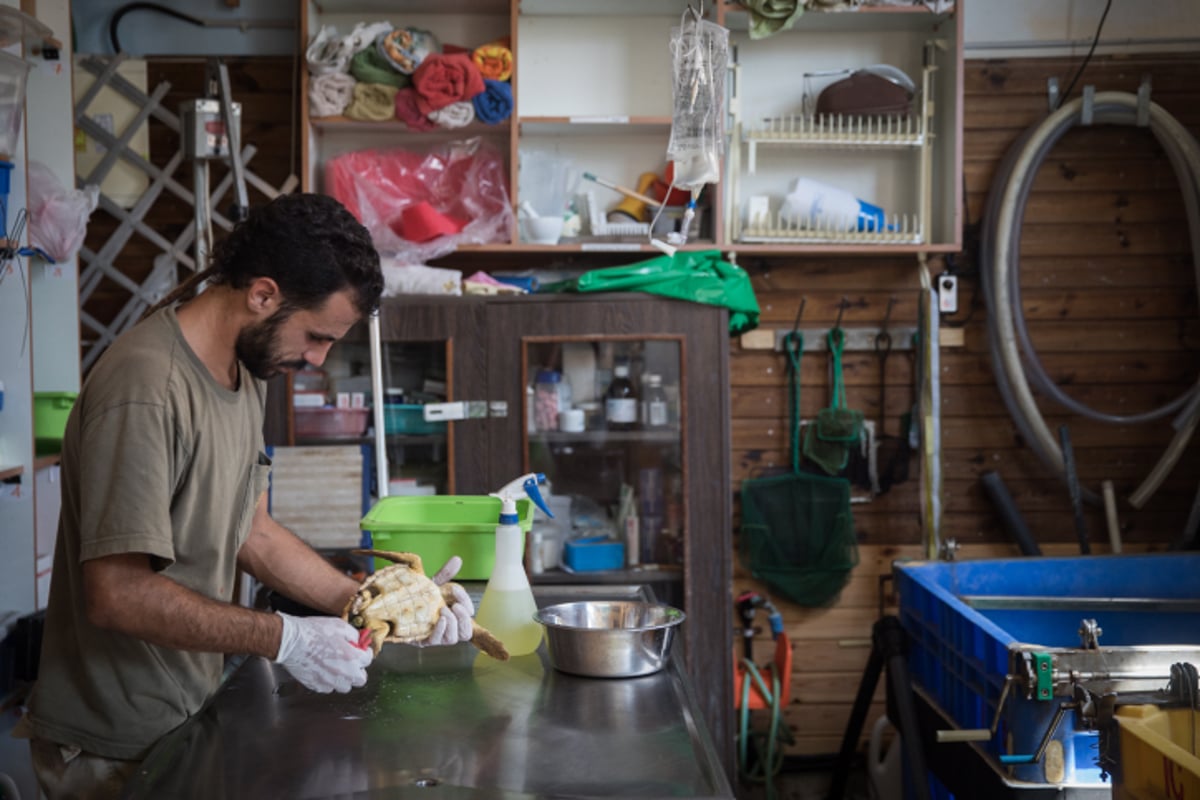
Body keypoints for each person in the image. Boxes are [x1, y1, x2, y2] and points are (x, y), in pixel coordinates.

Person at [16, 193, 476, 800]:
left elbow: (250, 529)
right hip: (114, 744)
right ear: (262, 294)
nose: (317, 358)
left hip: (188, 714)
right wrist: (285, 638)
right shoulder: (146, 390)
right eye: (316, 336)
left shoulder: (242, 370)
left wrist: (375, 605)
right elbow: (116, 593)